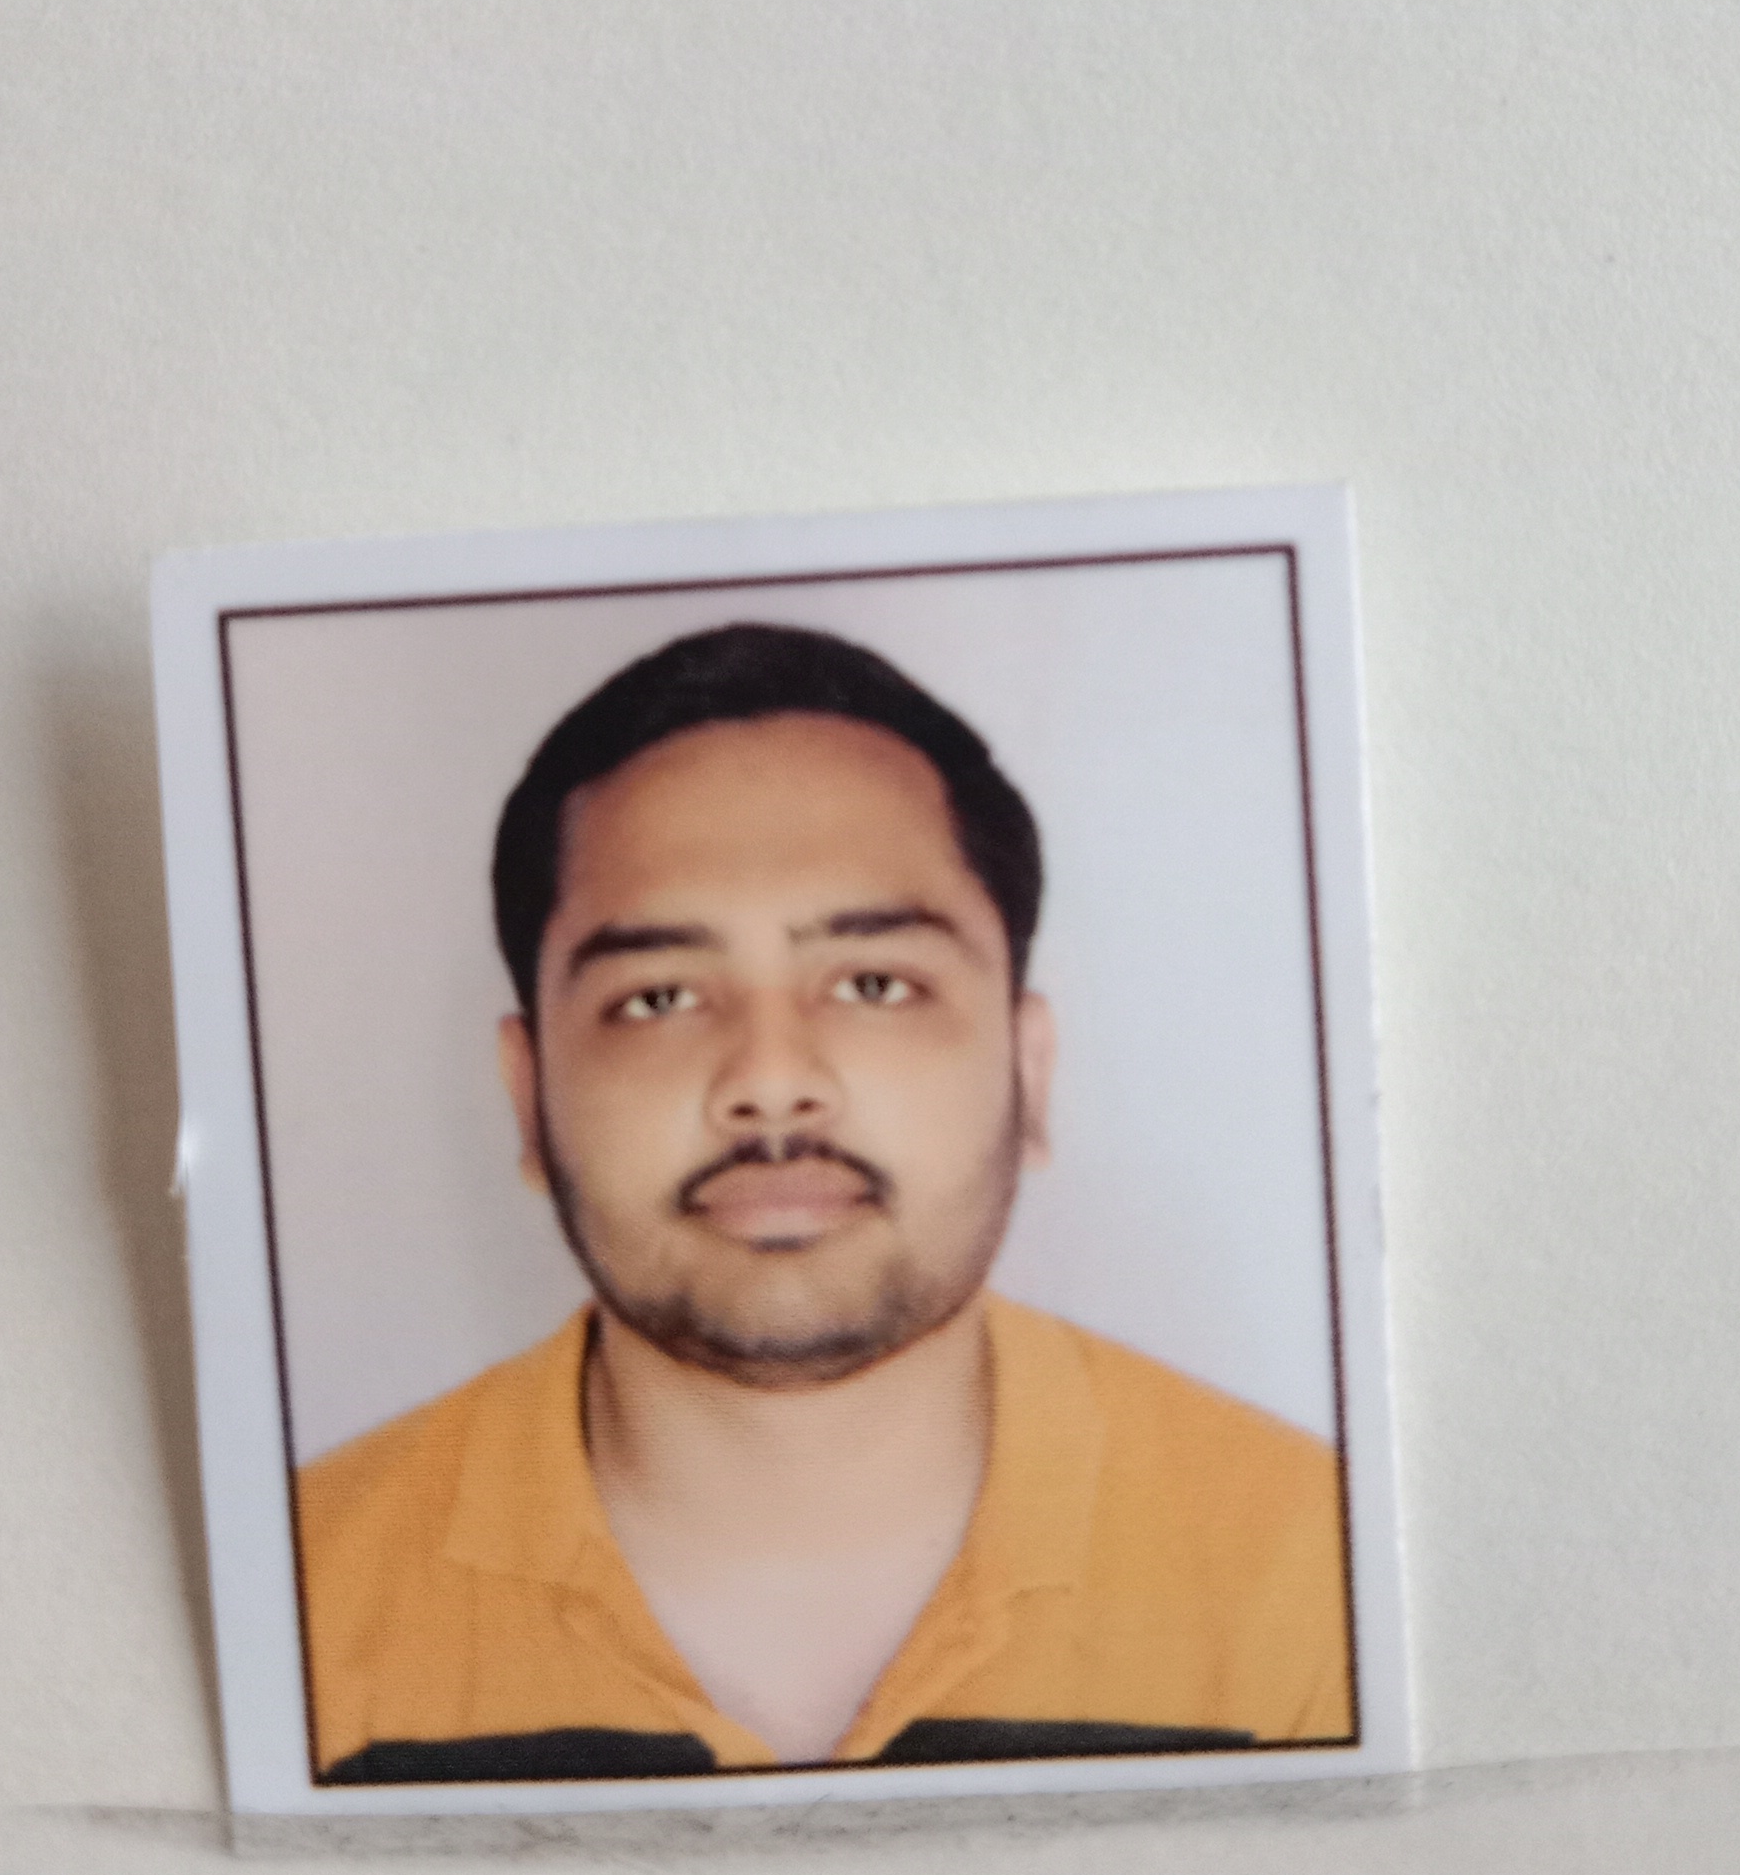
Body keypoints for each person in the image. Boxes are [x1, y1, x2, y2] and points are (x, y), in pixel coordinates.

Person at [295, 620, 1354, 1780]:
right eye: (659, 998)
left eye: (874, 984)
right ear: (528, 1096)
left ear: (1029, 1070)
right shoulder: (298, 1602)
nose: (769, 1080)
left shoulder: (1320, 1581)